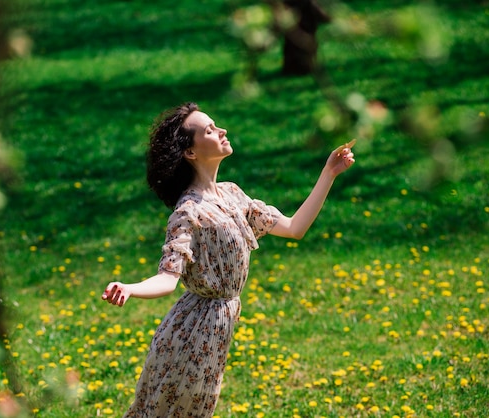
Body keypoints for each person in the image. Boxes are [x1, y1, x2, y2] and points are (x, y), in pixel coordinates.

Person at [102, 102, 355, 417]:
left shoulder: (233, 195)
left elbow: (294, 228)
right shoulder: (189, 212)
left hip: (218, 325)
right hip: (192, 332)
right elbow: (167, 278)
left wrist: (329, 173)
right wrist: (129, 287)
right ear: (191, 153)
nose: (221, 131)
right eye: (209, 130)